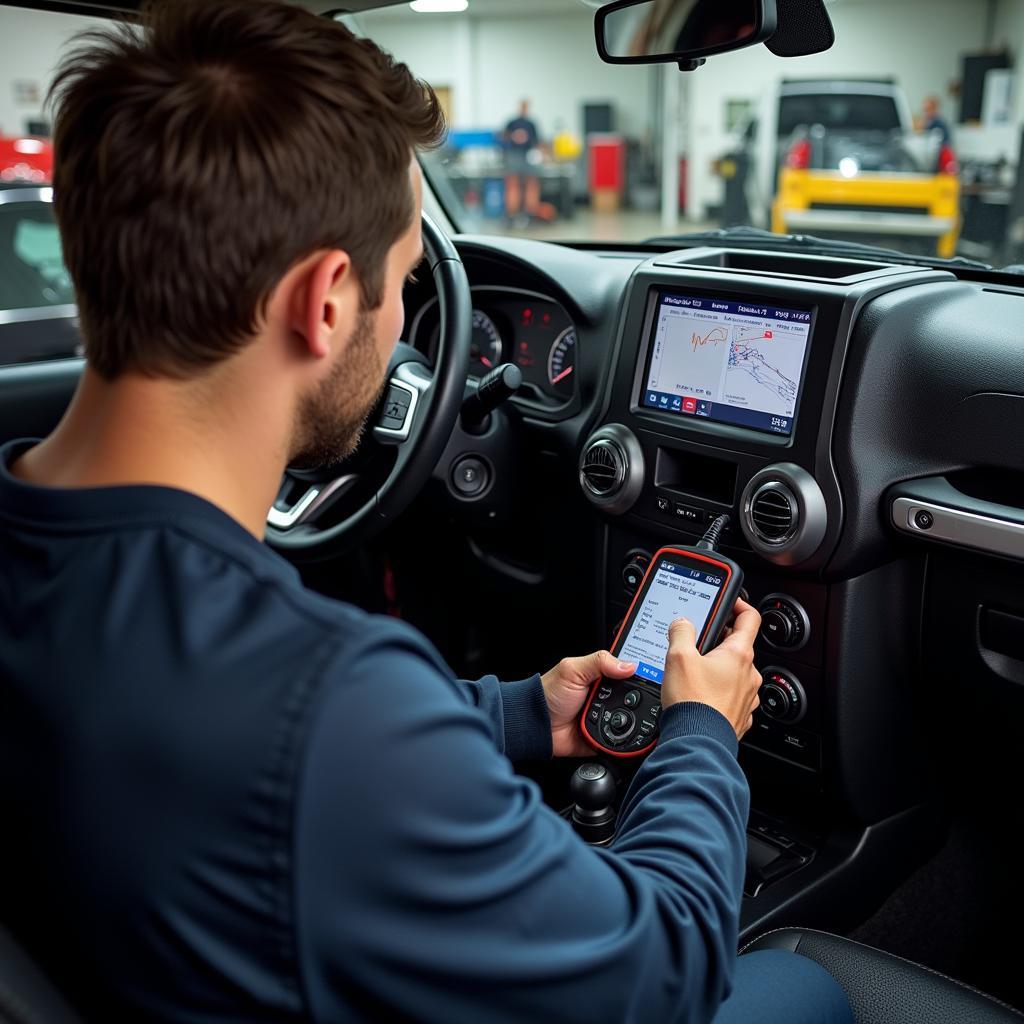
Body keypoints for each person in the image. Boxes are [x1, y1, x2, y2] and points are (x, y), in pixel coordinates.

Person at [0, 2, 853, 1022]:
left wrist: (519, 714)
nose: (406, 322)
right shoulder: (331, 705)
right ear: (323, 302)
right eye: (405, 281)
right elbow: (661, 973)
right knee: (807, 983)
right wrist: (700, 734)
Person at [502, 99, 552, 224]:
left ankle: (531, 212)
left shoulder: (531, 124)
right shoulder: (512, 122)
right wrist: (514, 137)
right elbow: (502, 136)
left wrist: (545, 155)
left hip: (528, 156)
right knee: (513, 184)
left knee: (532, 184)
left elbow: (538, 141)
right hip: (514, 155)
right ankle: (512, 214)